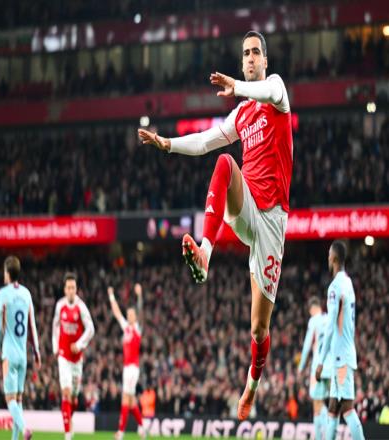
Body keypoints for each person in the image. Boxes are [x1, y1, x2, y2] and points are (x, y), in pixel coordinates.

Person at [138, 30, 293, 420]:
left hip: (272, 221)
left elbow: (266, 92)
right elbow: (205, 141)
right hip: (247, 206)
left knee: (258, 330)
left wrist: (237, 86)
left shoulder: (276, 90)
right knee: (225, 162)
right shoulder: (241, 115)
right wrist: (168, 144)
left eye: (256, 52)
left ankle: (251, 384)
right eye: (246, 53)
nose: (251, 57)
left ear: (265, 61)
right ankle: (205, 253)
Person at [315, 240, 365, 440]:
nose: (328, 258)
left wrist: (320, 361)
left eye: (329, 255)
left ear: (334, 258)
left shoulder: (335, 287)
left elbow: (330, 327)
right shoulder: (348, 283)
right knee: (333, 407)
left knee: (347, 407)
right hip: (344, 352)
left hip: (340, 358)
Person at [0, 256, 40, 440]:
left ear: (7, 273)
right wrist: (36, 351)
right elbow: (32, 325)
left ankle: (25, 428)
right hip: (23, 355)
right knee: (18, 401)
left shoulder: (3, 294)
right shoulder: (26, 294)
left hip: (9, 353)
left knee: (10, 400)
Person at [52, 272, 95, 440]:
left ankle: (69, 420)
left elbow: (91, 329)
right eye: (68, 288)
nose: (71, 290)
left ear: (76, 289)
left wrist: (79, 344)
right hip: (63, 356)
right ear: (64, 289)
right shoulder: (60, 306)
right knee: (66, 392)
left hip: (77, 359)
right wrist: (56, 347)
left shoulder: (81, 307)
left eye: (73, 288)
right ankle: (68, 435)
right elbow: (55, 326)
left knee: (74, 398)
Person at [108, 284, 146, 440]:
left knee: (126, 398)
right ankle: (142, 428)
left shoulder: (137, 328)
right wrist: (111, 296)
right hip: (127, 368)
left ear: (135, 317)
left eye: (131, 314)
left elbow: (141, 313)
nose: (129, 316)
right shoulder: (126, 328)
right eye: (128, 314)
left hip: (132, 368)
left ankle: (121, 432)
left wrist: (139, 296)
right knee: (131, 401)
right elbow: (117, 313)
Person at [298, 297, 332, 439]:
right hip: (330, 367)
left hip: (318, 367)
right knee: (321, 404)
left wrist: (301, 366)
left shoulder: (314, 321)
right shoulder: (329, 318)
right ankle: (321, 436)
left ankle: (328, 434)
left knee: (317, 404)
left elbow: (307, 346)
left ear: (313, 308)